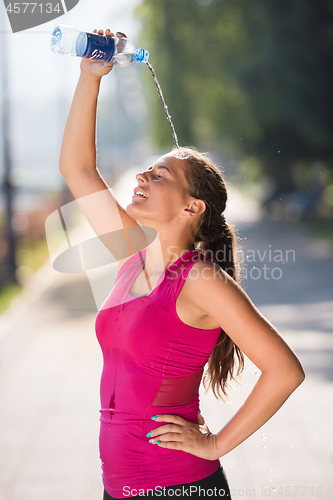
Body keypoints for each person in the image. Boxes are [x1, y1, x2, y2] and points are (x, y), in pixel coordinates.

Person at [58, 28, 305, 500]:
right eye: (148, 168)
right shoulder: (132, 254)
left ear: (192, 208)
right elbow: (77, 168)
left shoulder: (201, 279)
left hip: (177, 487)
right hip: (121, 487)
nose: (142, 175)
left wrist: (215, 444)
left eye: (160, 173)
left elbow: (285, 370)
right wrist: (90, 78)